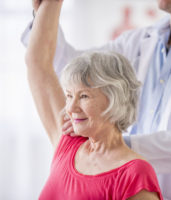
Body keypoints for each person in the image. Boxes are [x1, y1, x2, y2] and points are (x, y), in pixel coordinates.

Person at [22, 0, 171, 199]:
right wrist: (45, 10)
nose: (73, 105)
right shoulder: (137, 41)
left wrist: (114, 148)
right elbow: (70, 69)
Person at [25, 1, 163, 199]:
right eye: (69, 95)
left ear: (114, 99)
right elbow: (37, 64)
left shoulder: (134, 174)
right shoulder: (68, 142)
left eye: (83, 96)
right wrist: (51, 4)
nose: (70, 108)